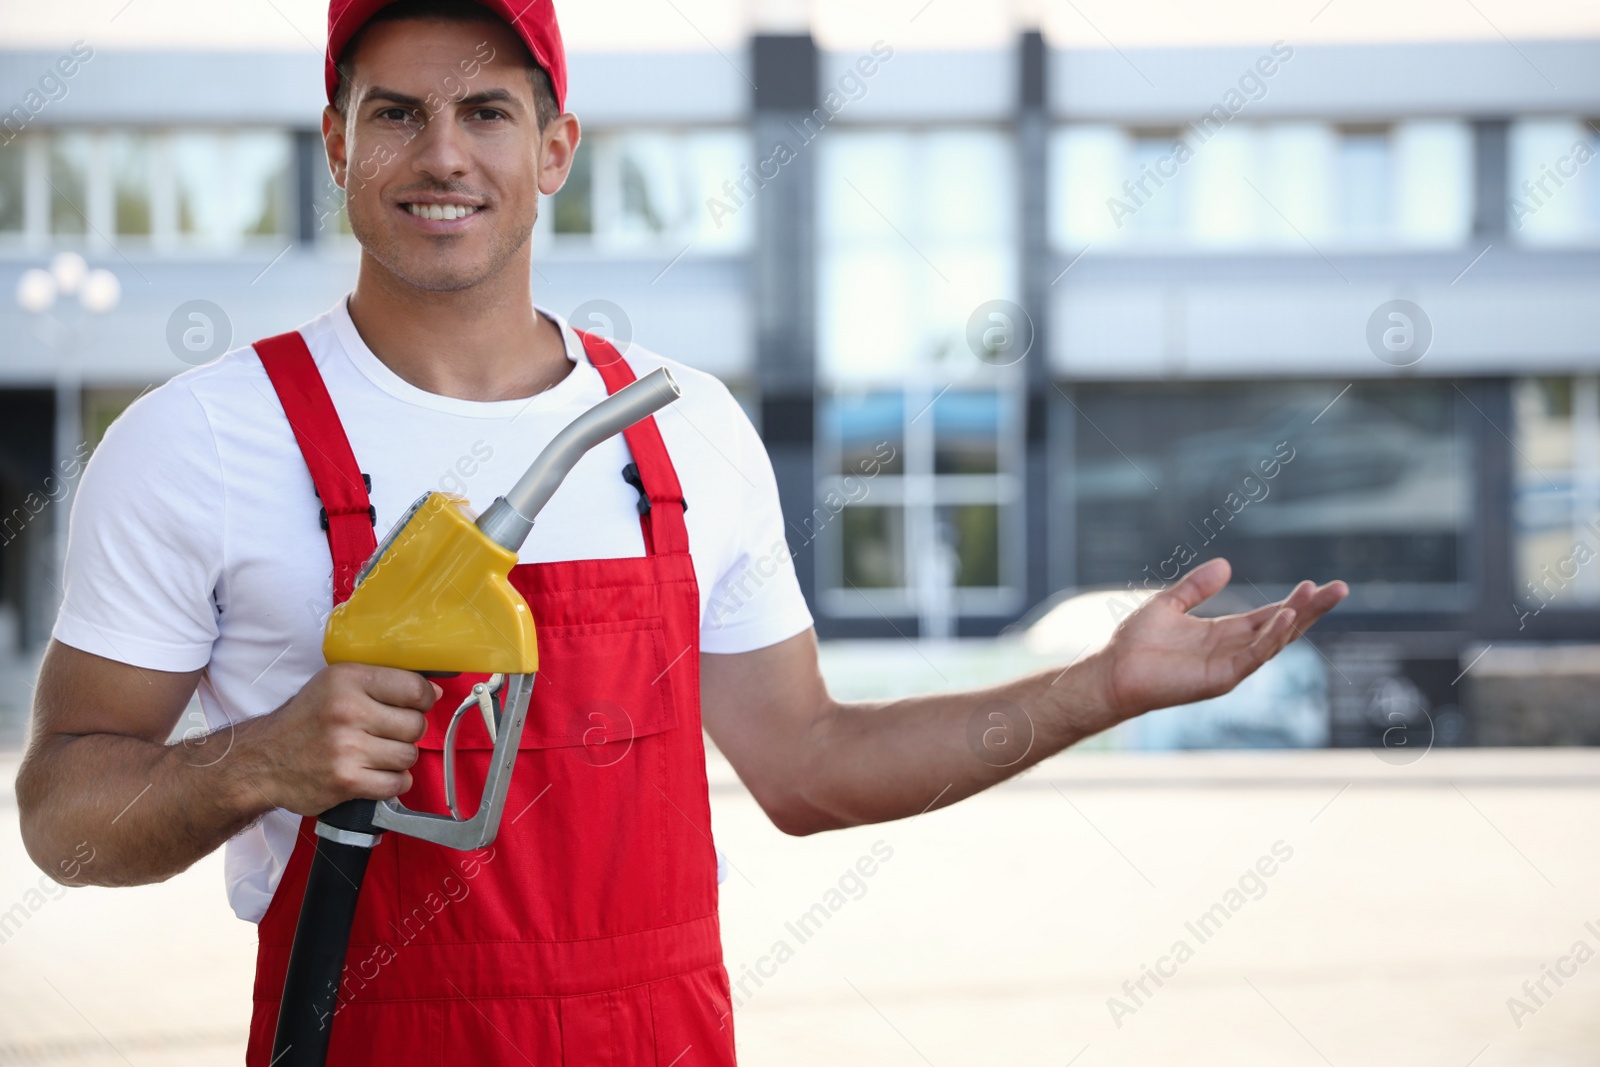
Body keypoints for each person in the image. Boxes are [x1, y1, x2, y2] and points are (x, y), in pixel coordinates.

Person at [14, 1, 1349, 1063]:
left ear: (554, 149)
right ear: (336, 144)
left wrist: (1099, 687)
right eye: (396, 114)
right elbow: (62, 823)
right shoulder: (200, 441)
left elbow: (811, 765)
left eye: (487, 110)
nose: (442, 154)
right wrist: (254, 760)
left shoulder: (684, 430)